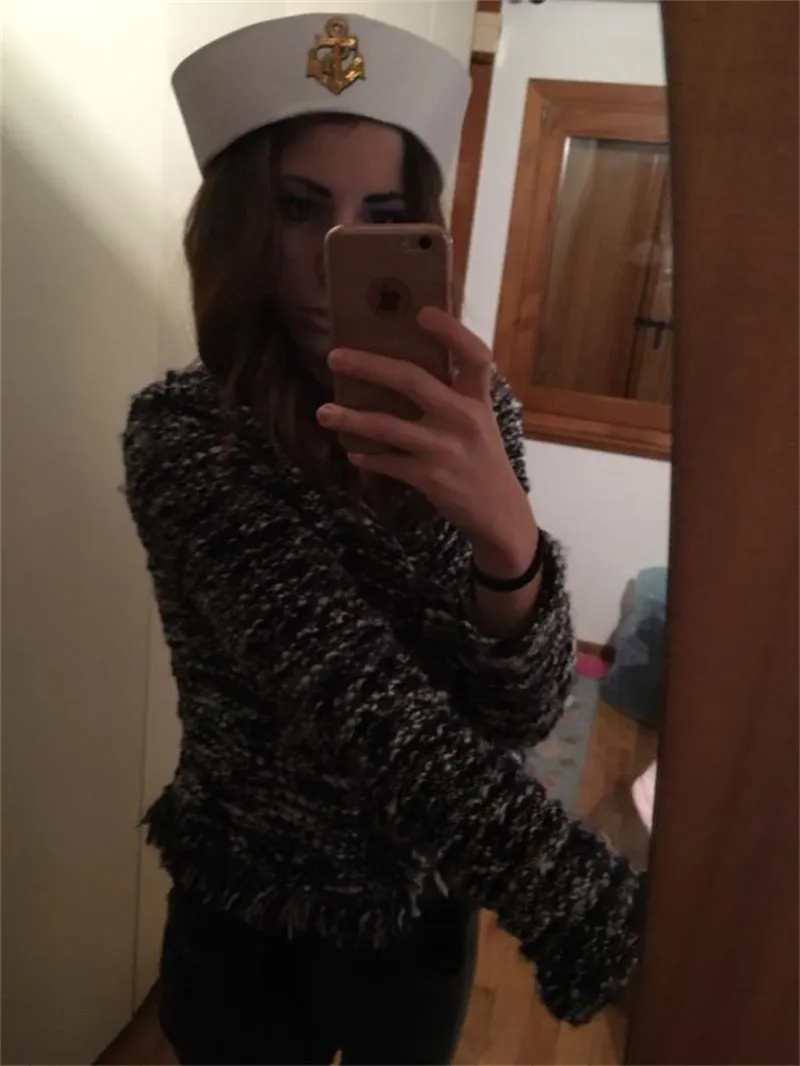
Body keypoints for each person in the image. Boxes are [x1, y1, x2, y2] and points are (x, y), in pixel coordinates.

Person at [123, 13, 647, 1065]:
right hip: (250, 907)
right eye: (299, 207)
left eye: (381, 215)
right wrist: (586, 903)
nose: (332, 260)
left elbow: (519, 710)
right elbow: (362, 704)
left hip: (421, 911)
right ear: (239, 220)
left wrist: (507, 538)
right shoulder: (185, 433)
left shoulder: (474, 414)